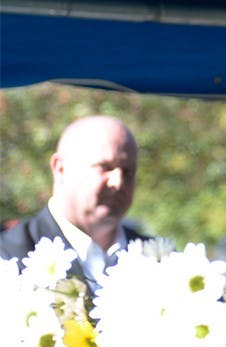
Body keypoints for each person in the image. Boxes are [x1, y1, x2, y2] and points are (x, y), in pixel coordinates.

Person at [0, 115, 146, 293]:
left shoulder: (159, 259)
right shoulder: (9, 257)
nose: (118, 181)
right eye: (105, 167)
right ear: (60, 169)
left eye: (128, 171)